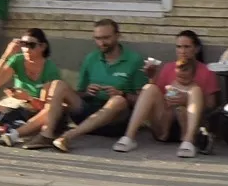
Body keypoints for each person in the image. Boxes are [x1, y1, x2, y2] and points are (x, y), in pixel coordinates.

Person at [46, 19, 152, 152]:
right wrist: (87, 93)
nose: (102, 43)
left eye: (106, 38)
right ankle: (46, 134)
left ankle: (67, 137)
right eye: (97, 38)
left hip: (115, 122)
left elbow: (142, 101)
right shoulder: (91, 58)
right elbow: (79, 93)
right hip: (89, 111)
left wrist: (122, 94)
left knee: (117, 101)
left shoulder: (134, 60)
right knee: (58, 85)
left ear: (117, 36)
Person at [115, 30, 218, 158]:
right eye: (179, 47)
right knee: (149, 88)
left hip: (189, 124)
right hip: (165, 124)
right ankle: (128, 137)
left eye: (187, 47)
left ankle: (188, 141)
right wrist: (151, 77)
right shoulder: (169, 67)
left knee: (195, 90)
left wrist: (186, 100)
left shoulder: (206, 71)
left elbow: (211, 105)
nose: (182, 51)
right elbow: (155, 96)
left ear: (196, 49)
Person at [0, 28, 62, 146]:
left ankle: (11, 131)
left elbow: (46, 107)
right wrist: (7, 54)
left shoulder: (50, 69)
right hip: (13, 107)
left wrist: (28, 98)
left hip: (33, 111)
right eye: (23, 44)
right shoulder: (17, 60)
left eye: (31, 45)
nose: (26, 49)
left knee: (47, 114)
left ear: (42, 47)